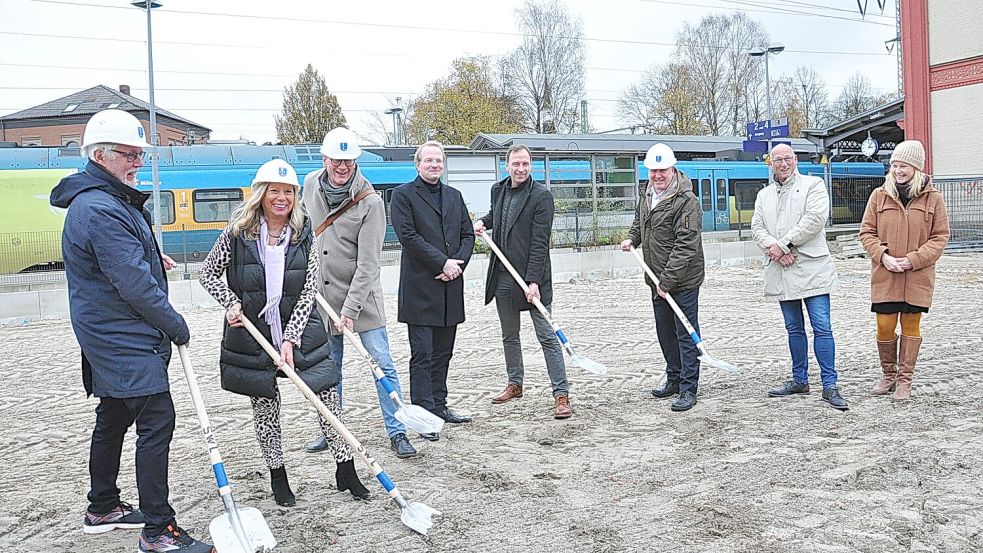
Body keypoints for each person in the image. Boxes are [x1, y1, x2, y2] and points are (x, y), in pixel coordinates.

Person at [49, 109, 214, 553]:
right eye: (130, 154)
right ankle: (159, 530)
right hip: (119, 333)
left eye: (140, 154)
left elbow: (122, 262)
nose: (137, 162)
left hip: (109, 327)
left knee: (116, 414)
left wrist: (147, 255)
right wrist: (176, 325)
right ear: (99, 155)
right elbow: (133, 285)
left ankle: (102, 507)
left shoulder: (109, 200)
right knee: (157, 419)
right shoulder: (100, 207)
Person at [199, 158, 370, 505]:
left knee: (327, 398)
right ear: (261, 194)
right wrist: (231, 303)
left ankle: (345, 468)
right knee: (266, 406)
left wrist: (291, 337)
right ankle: (278, 477)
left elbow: (309, 290)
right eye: (274, 191)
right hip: (253, 333)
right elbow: (207, 274)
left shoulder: (304, 232)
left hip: (301, 332)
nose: (282, 198)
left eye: (288, 192)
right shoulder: (237, 234)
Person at [301, 127, 418, 456]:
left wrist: (350, 312)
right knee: (329, 368)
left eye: (349, 161)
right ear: (325, 159)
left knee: (381, 362)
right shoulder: (310, 184)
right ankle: (331, 427)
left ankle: (397, 431)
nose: (342, 167)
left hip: (361, 302)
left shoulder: (370, 203)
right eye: (337, 160)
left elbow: (369, 265)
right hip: (323, 299)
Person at [474, 144, 572, 419]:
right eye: (516, 164)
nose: (520, 169)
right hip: (504, 277)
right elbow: (497, 218)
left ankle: (561, 394)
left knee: (547, 337)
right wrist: (483, 222)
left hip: (533, 280)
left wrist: (533, 281)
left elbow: (540, 244)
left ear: (531, 166)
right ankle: (515, 384)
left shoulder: (541, 196)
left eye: (525, 164)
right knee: (509, 335)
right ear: (507, 166)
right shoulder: (499, 190)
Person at [751, 143, 849, 411]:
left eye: (787, 159)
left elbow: (815, 219)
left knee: (822, 327)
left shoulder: (813, 185)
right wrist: (777, 251)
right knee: (794, 329)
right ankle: (799, 379)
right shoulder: (764, 195)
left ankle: (830, 385)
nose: (783, 164)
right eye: (777, 160)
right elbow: (757, 228)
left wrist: (782, 245)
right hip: (781, 268)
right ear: (770, 163)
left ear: (795, 160)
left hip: (812, 269)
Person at [390, 140, 475, 439]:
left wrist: (457, 264)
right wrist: (443, 263)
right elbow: (409, 237)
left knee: (444, 352)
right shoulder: (403, 196)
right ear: (417, 164)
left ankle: (440, 404)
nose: (434, 165)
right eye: (428, 160)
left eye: (438, 160)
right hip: (420, 288)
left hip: (450, 287)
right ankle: (423, 413)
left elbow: (467, 234)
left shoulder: (454, 195)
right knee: (422, 353)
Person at [858, 140, 949, 401]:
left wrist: (913, 260)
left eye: (904, 166)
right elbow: (866, 233)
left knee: (911, 324)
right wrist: (883, 256)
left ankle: (904, 380)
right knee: (884, 325)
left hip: (917, 276)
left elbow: (940, 237)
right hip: (886, 274)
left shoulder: (934, 198)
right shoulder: (879, 196)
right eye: (895, 165)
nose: (898, 170)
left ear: (916, 168)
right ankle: (888, 374)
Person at [620, 143, 705, 412]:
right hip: (655, 278)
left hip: (683, 281)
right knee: (665, 332)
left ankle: (689, 387)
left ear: (673, 169)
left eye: (662, 171)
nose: (657, 176)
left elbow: (686, 245)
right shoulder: (646, 193)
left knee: (685, 333)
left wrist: (666, 282)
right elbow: (639, 221)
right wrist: (632, 238)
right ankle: (674, 377)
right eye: (653, 171)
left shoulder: (686, 200)